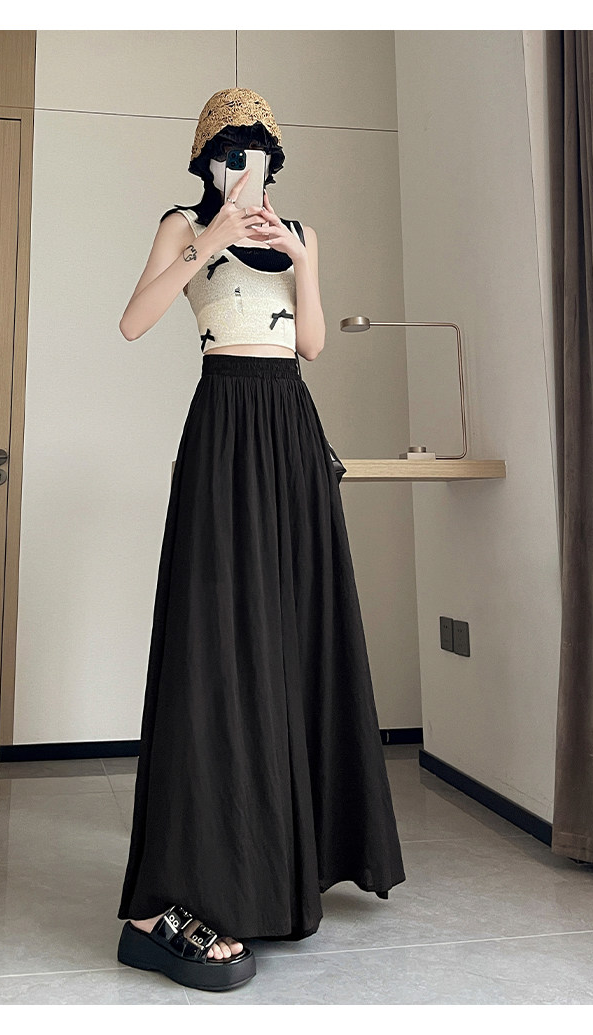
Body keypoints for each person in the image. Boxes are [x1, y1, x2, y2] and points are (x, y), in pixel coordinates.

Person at [115, 88, 406, 994]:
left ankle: (284, 861)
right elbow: (134, 321)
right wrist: (207, 239)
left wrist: (300, 260)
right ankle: (188, 883)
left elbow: (312, 344)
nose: (243, 167)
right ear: (204, 159)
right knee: (216, 647)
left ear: (275, 161)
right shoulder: (181, 226)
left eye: (257, 153)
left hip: (290, 433)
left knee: (298, 637)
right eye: (228, 152)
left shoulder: (302, 233)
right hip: (224, 428)